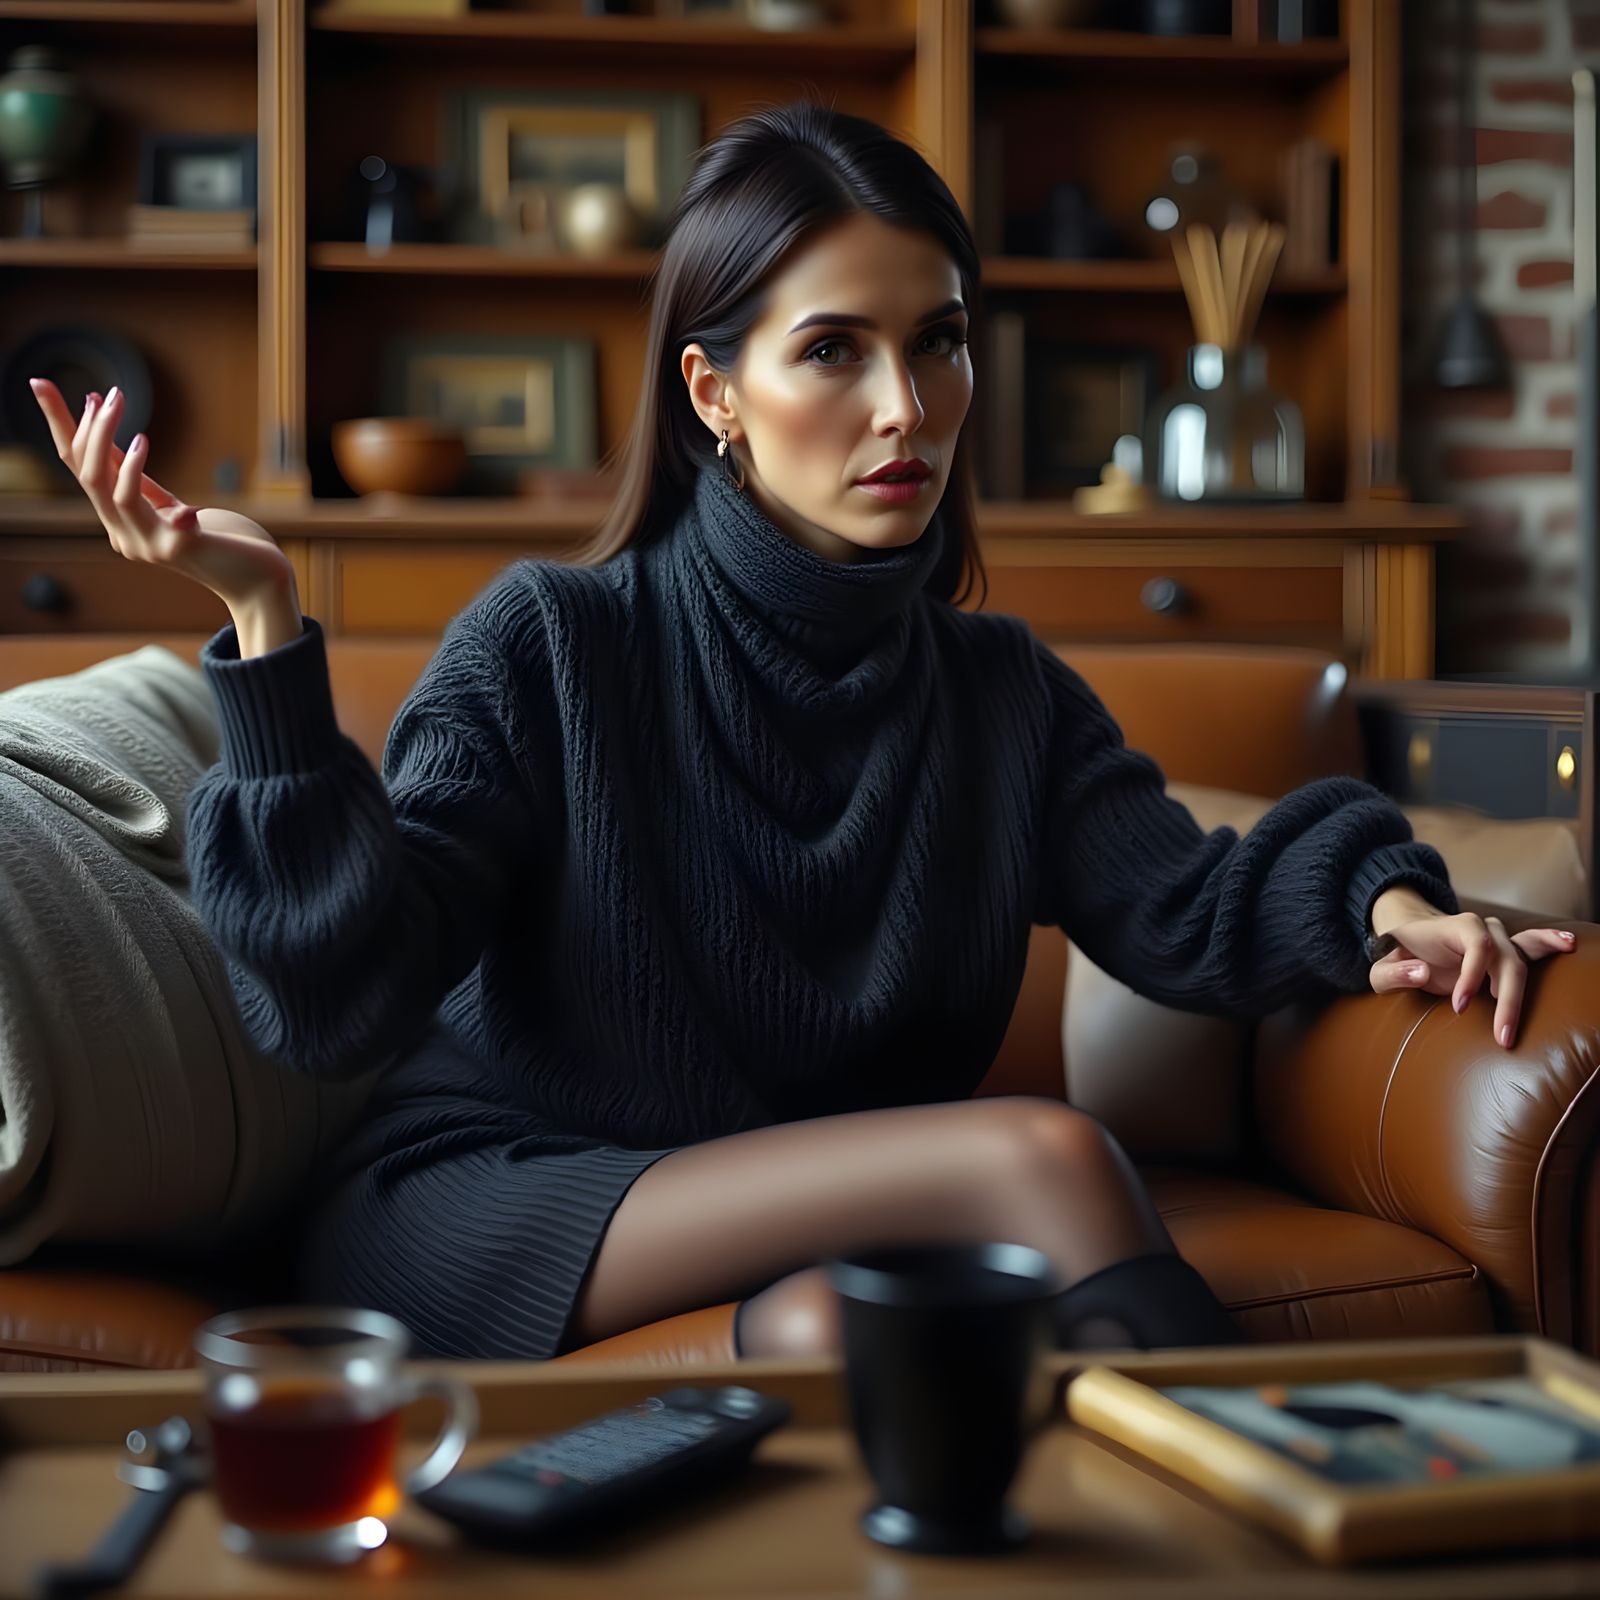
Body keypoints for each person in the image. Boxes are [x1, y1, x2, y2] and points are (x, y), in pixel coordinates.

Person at [32, 102, 1578, 1364]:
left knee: (865, 1336)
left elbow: (1187, 905)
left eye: (942, 341)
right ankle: (1300, 1498)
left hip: (836, 1231)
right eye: (835, 349)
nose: (908, 406)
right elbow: (340, 992)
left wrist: (1390, 904)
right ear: (715, 390)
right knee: (1035, 1159)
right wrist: (263, 626)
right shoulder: (554, 644)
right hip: (506, 1198)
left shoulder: (1000, 695)